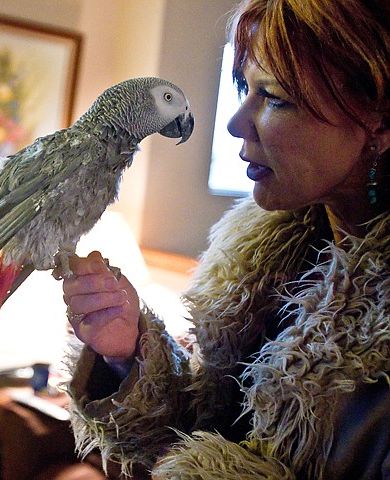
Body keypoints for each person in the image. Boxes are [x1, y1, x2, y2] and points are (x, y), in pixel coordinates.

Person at [60, 0, 390, 478]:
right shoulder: (263, 261)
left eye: (275, 97)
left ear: (378, 123)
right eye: (245, 88)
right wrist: (126, 354)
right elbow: (203, 430)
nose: (236, 122)